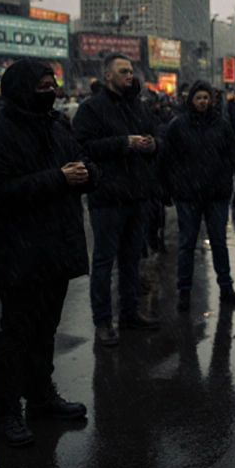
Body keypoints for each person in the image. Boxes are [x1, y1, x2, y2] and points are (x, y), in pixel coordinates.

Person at [0, 59, 96, 448]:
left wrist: (85, 174)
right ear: (23, 89)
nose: (52, 91)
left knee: (45, 331)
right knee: (17, 335)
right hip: (19, 252)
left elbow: (83, 164)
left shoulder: (55, 126)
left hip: (56, 248)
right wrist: (57, 179)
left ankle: (41, 397)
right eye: (43, 85)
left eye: (53, 85)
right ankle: (7, 414)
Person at [72, 54, 162, 348]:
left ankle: (129, 312)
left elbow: (155, 134)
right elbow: (83, 147)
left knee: (131, 259)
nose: (129, 75)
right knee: (104, 261)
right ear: (108, 76)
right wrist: (125, 143)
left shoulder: (137, 105)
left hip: (136, 195)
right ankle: (103, 321)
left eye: (131, 70)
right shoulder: (91, 108)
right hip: (108, 196)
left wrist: (152, 144)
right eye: (123, 71)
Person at [161, 80, 235, 312]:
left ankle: (226, 288)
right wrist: (170, 188)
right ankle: (184, 291)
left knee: (219, 242)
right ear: (191, 100)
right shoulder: (178, 126)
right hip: (188, 195)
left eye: (205, 98)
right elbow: (168, 160)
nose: (202, 102)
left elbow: (233, 154)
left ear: (211, 100)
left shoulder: (221, 125)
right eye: (198, 98)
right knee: (187, 243)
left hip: (216, 194)